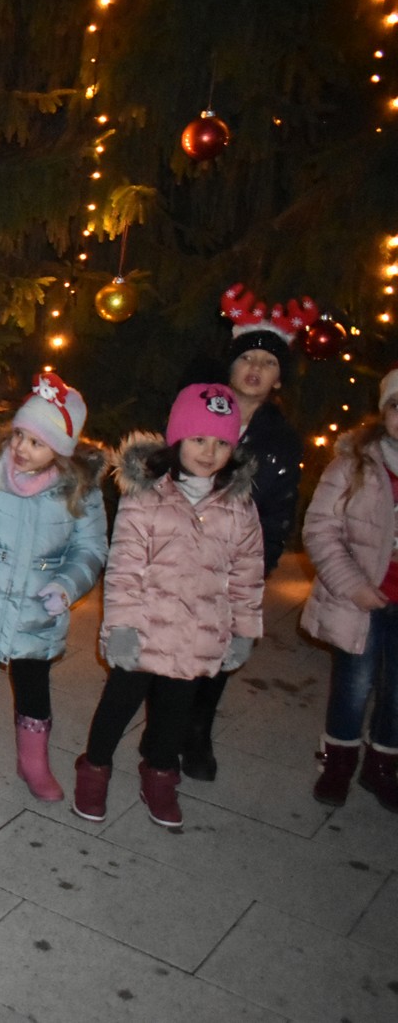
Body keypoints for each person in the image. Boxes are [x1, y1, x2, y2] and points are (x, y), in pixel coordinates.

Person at [72, 384, 264, 829]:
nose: (209, 451)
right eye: (199, 439)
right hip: (142, 631)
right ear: (178, 439)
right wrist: (120, 626)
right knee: (117, 706)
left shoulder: (239, 508)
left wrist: (243, 629)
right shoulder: (147, 498)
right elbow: (124, 567)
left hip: (198, 635)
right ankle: (95, 767)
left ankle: (160, 773)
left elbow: (247, 573)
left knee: (175, 715)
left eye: (220, 442)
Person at [0, 373, 108, 800]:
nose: (21, 449)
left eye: (37, 443)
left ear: (60, 452)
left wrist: (68, 585)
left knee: (34, 687)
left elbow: (91, 548)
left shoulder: (79, 491)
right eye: (19, 436)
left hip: (38, 610)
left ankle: (33, 762)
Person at [180, 287, 307, 781]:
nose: (255, 370)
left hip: (236, 559)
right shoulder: (199, 409)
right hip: (183, 546)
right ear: (230, 366)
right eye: (247, 358)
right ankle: (163, 724)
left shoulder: (281, 437)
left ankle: (198, 732)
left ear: (278, 378)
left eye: (267, 363)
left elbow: (278, 509)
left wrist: (263, 564)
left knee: (218, 650)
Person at [299, 367, 398, 812]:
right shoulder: (355, 465)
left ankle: (383, 765)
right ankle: (338, 761)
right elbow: (320, 529)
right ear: (384, 413)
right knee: (354, 685)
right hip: (360, 598)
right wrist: (352, 585)